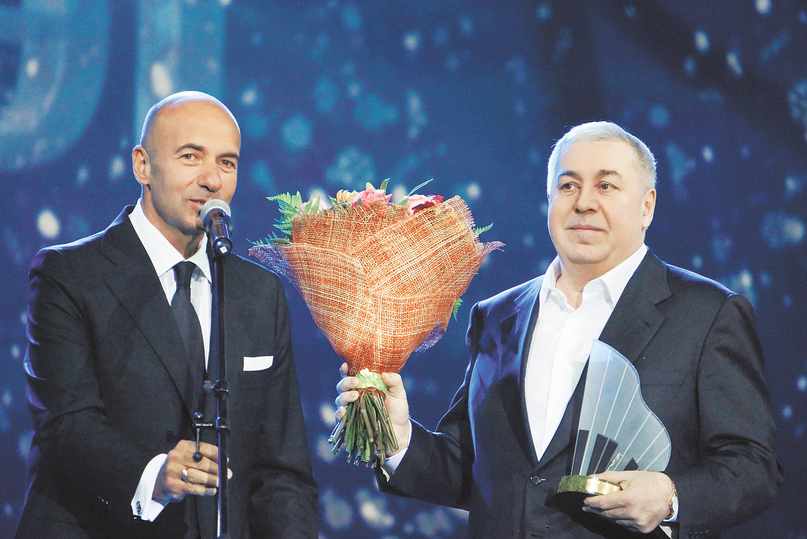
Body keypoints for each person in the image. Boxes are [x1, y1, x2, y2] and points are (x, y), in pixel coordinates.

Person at [336, 121, 782, 538]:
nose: (584, 202)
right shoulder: (497, 316)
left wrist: (670, 497)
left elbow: (753, 466)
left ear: (646, 206)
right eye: (568, 185)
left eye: (606, 186)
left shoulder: (708, 313)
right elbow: (477, 474)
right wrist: (398, 439)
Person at [16, 91, 318, 538]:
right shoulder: (70, 273)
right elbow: (65, 424)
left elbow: (281, 470)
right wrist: (153, 474)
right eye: (190, 156)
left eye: (227, 162)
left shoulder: (259, 293)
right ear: (143, 166)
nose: (212, 180)